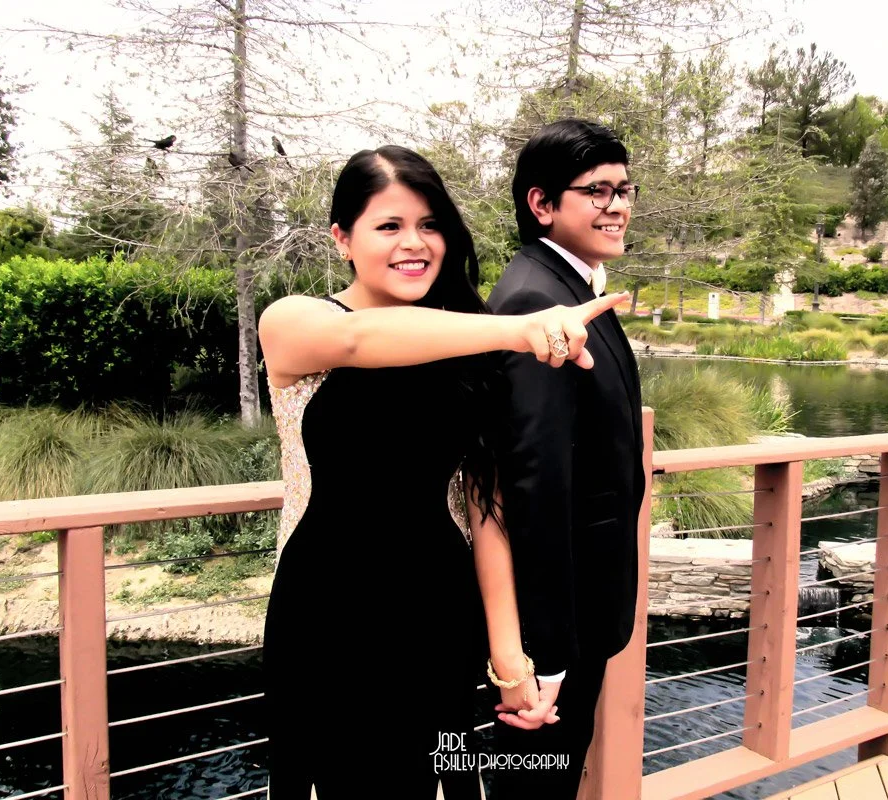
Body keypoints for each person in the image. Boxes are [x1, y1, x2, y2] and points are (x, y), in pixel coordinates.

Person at [257, 144, 629, 799]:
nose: (415, 243)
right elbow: (358, 342)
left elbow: (483, 504)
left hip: (440, 617)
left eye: (430, 225)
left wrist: (511, 662)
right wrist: (518, 330)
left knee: (444, 779)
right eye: (389, 226)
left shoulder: (461, 345)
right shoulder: (295, 322)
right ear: (342, 238)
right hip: (329, 616)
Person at [486, 120, 645, 799]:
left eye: (624, 190)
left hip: (583, 609)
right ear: (542, 204)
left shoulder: (575, 287)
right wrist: (544, 654)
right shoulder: (536, 298)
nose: (617, 206)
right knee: (536, 784)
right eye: (597, 191)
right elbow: (535, 484)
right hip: (559, 628)